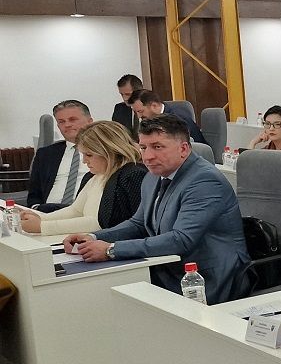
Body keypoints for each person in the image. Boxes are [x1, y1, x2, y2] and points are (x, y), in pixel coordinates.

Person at [63, 114, 248, 304]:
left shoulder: (204, 181)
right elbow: (138, 224)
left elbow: (181, 239)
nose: (148, 156)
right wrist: (93, 237)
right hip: (167, 269)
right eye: (143, 147)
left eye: (158, 147)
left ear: (183, 149)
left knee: (111, 298)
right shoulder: (153, 176)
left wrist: (111, 250)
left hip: (206, 278)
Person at [21, 121, 146, 236]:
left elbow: (99, 223)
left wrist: (43, 226)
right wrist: (41, 217)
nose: (84, 161)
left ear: (109, 151)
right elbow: (75, 210)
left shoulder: (132, 175)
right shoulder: (93, 176)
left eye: (89, 155)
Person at [26, 100, 93, 211]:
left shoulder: (104, 152)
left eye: (73, 119)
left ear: (90, 122)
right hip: (47, 212)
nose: (67, 125)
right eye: (61, 122)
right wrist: (36, 209)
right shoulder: (45, 154)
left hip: (84, 212)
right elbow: (34, 194)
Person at [131, 90, 208, 145]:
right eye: (136, 112)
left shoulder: (177, 118)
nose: (139, 116)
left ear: (154, 106)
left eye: (140, 111)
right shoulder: (151, 119)